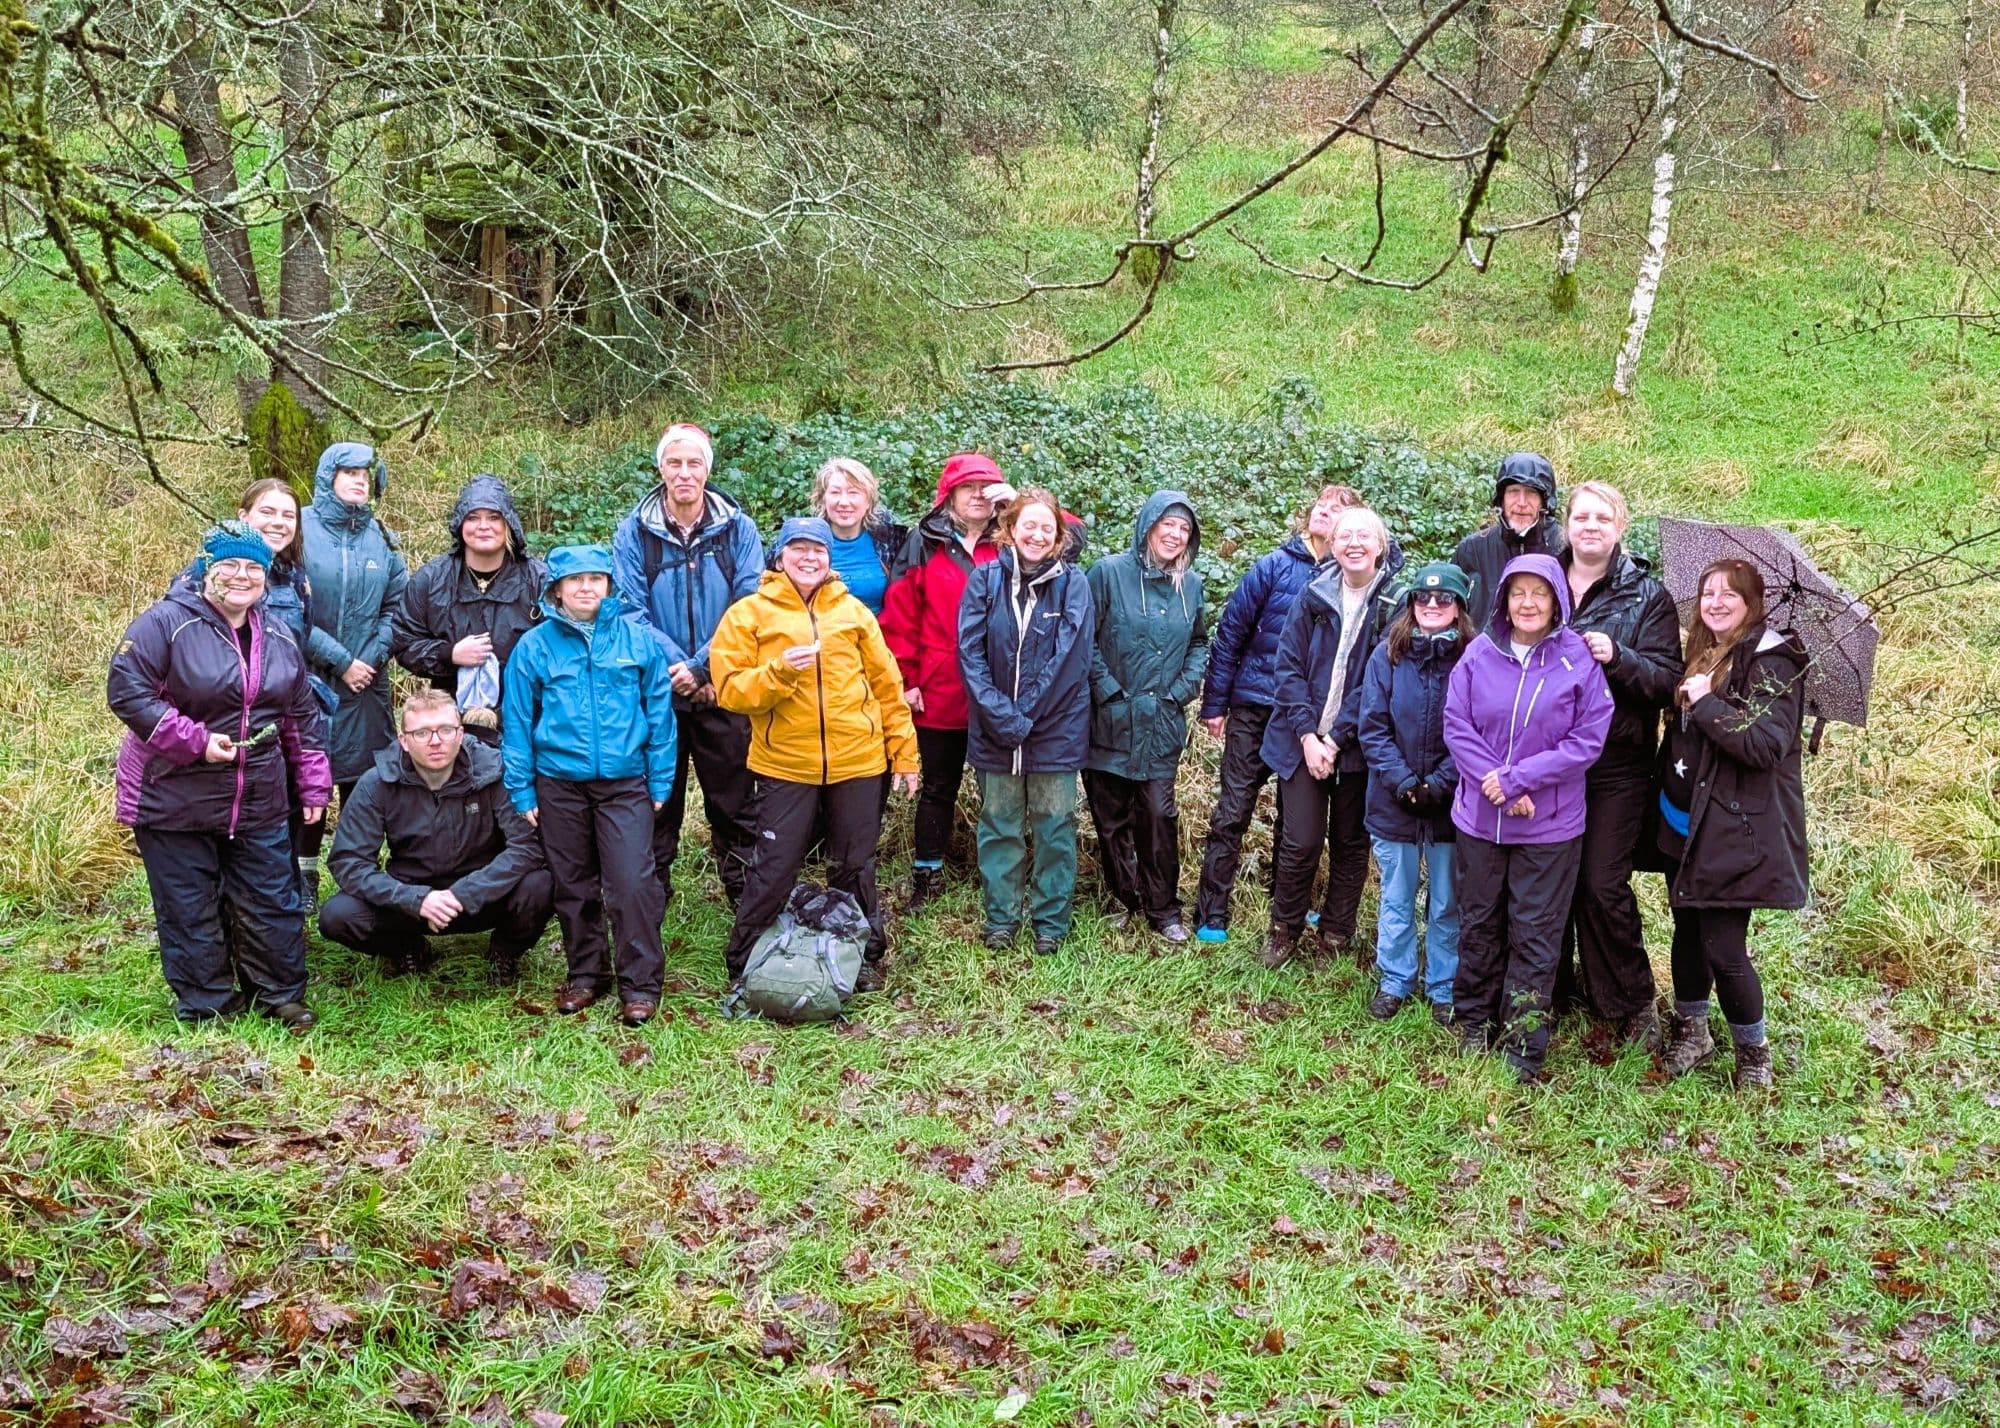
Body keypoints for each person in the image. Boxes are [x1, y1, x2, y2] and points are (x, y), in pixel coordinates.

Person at [108, 523, 331, 1027]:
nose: (241, 576)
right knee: (189, 904)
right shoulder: (164, 623)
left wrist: (313, 778)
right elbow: (128, 692)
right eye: (229, 564)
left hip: (258, 795)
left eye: (254, 567)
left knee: (272, 895)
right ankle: (207, 1002)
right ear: (206, 568)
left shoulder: (277, 633)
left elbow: (298, 715)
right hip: (173, 794)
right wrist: (196, 741)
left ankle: (279, 996)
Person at [708, 517, 920, 989]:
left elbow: (888, 685)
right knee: (775, 866)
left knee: (854, 864)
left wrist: (904, 752)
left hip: (859, 760)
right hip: (786, 763)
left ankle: (861, 954)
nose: (808, 557)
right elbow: (731, 691)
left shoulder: (854, 613)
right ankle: (744, 958)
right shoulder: (749, 614)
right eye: (798, 549)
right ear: (780, 557)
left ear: (829, 560)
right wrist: (779, 672)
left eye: (817, 550)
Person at [1443, 553, 1613, 1084]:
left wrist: (1520, 780)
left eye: (1540, 593)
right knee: (1479, 925)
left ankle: (1523, 1044)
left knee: (1535, 936)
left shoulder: (1577, 661)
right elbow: (1456, 724)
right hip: (1479, 821)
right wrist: (1496, 782)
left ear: (1558, 599)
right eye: (1518, 592)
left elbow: (1587, 739)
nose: (1529, 603)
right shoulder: (1479, 653)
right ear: (1503, 599)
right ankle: (1474, 1020)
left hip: (1548, 826)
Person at [501, 545, 677, 1027]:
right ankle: (586, 973)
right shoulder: (534, 647)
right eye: (574, 580)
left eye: (595, 579)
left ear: (608, 585)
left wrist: (661, 777)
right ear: (555, 589)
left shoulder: (637, 642)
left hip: (625, 783)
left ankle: (640, 983)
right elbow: (516, 721)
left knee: (632, 882)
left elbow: (660, 715)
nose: (585, 588)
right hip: (558, 783)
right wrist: (522, 788)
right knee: (572, 882)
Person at [1656, 559, 1807, 1090]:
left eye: (1730, 594)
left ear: (1752, 603)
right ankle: (1692, 1030)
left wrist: (1707, 702)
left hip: (1729, 829)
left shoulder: (1773, 664)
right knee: (1686, 930)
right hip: (1683, 822)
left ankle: (1754, 1054)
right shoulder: (1707, 652)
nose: (1716, 602)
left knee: (1724, 945)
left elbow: (1765, 746)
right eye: (1707, 593)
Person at [1191, 485, 1355, 941]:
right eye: (1321, 504)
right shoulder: (1274, 566)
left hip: (1305, 720)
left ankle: (1287, 907)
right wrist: (1215, 704)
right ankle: (1211, 913)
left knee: (1294, 821)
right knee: (1233, 809)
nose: (1325, 510)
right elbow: (1231, 635)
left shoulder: (1352, 576)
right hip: (1255, 708)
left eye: (1337, 508)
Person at [612, 423, 764, 910]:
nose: (684, 473)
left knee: (737, 801)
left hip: (723, 687)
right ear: (661, 469)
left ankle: (746, 900)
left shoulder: (737, 527)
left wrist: (706, 668)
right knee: (657, 800)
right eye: (674, 463)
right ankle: (650, 903)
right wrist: (680, 668)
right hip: (659, 690)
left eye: (693, 463)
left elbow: (748, 605)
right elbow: (630, 611)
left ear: (707, 470)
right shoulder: (634, 530)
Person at [1556, 481, 1684, 1051]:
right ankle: (1552, 992)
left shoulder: (1647, 596)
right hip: (1549, 762)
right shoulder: (1538, 580)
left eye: (1601, 518)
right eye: (1580, 516)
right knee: (1550, 881)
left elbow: (1666, 682)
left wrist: (1618, 656)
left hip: (1616, 763)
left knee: (1601, 883)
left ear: (1620, 526)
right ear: (1565, 525)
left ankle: (1632, 1003)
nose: (1590, 526)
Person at [320, 689, 554, 983]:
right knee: (338, 915)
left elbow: (527, 848)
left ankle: (504, 950)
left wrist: (465, 893)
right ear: (403, 741)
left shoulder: (495, 771)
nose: (435, 741)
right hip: (410, 901)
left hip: (485, 894)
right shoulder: (376, 783)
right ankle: (408, 948)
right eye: (422, 733)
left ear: (460, 733)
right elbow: (349, 862)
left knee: (542, 885)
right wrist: (416, 899)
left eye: (445, 730)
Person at [1257, 506, 1402, 971]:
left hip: (1360, 747)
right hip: (1300, 740)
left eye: (1365, 536)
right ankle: (1284, 929)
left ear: (1381, 546)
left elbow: (1380, 682)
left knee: (1349, 842)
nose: (1354, 543)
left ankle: (1336, 934)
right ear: (1332, 544)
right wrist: (1307, 735)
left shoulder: (1396, 603)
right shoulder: (1312, 594)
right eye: (1345, 535)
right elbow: (1288, 667)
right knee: (1299, 841)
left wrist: (1337, 739)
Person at [957, 487, 1095, 956]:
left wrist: (1025, 715)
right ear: (1010, 529)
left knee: (1055, 824)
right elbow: (969, 653)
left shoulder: (1073, 585)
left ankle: (1050, 922)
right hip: (995, 730)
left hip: (1055, 728)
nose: (1036, 535)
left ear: (1058, 536)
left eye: (1046, 528)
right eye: (1028, 525)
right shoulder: (985, 581)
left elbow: (1070, 659)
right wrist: (1001, 714)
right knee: (999, 823)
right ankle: (1001, 918)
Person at [879, 452, 1004, 912]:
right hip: (939, 688)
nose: (978, 494)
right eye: (968, 486)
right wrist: (907, 679)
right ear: (948, 494)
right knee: (938, 786)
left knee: (1001, 789)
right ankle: (927, 873)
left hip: (999, 689)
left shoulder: (1012, 536)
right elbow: (901, 616)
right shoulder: (924, 543)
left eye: (988, 487)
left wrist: (1014, 504)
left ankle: (1000, 875)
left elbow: (1067, 539)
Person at [1085, 490, 1208, 942]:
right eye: (1168, 524)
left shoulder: (1190, 586)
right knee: (1110, 817)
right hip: (1109, 720)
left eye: (1184, 529)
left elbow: (1199, 643)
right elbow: (1086, 638)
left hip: (1160, 723)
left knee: (1157, 814)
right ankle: (1123, 898)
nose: (1175, 534)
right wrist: (1109, 691)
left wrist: (1180, 693)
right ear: (1148, 525)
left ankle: (1163, 908)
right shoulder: (1107, 574)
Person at [1356, 562, 1472, 1025]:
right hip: (1392, 801)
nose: (1432, 606)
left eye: (1443, 599)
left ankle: (1443, 985)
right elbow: (1372, 727)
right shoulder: (1385, 657)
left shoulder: (1474, 659)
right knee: (1397, 896)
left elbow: (1475, 730)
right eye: (1423, 599)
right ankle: (1394, 979)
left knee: (1447, 900)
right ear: (1410, 605)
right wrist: (1403, 783)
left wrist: (1441, 783)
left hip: (1451, 805)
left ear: (1459, 607)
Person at [298, 440, 408, 907]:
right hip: (307, 680)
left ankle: (360, 879)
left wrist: (371, 659)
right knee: (307, 782)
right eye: (349, 472)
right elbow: (286, 608)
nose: (360, 479)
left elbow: (398, 606)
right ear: (328, 477)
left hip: (367, 687)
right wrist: (340, 660)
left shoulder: (381, 538)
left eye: (366, 473)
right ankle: (300, 883)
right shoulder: (298, 528)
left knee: (362, 783)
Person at [391, 473, 545, 745]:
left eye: (494, 517)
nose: (483, 526)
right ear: (460, 524)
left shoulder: (538, 580)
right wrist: (448, 654)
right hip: (448, 727)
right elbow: (403, 642)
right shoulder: (431, 579)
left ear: (509, 523)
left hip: (526, 720)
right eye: (473, 518)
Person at [1452, 452, 1566, 624]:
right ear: (1501, 499)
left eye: (1531, 492)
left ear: (1545, 502)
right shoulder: (1472, 550)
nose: (1521, 502)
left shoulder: (1566, 550)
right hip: (1481, 650)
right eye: (1513, 491)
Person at [811, 457, 907, 616]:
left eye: (853, 493)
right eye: (835, 492)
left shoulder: (890, 540)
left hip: (877, 635)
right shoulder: (805, 541)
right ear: (823, 499)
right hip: (820, 635)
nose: (843, 502)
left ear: (868, 501)